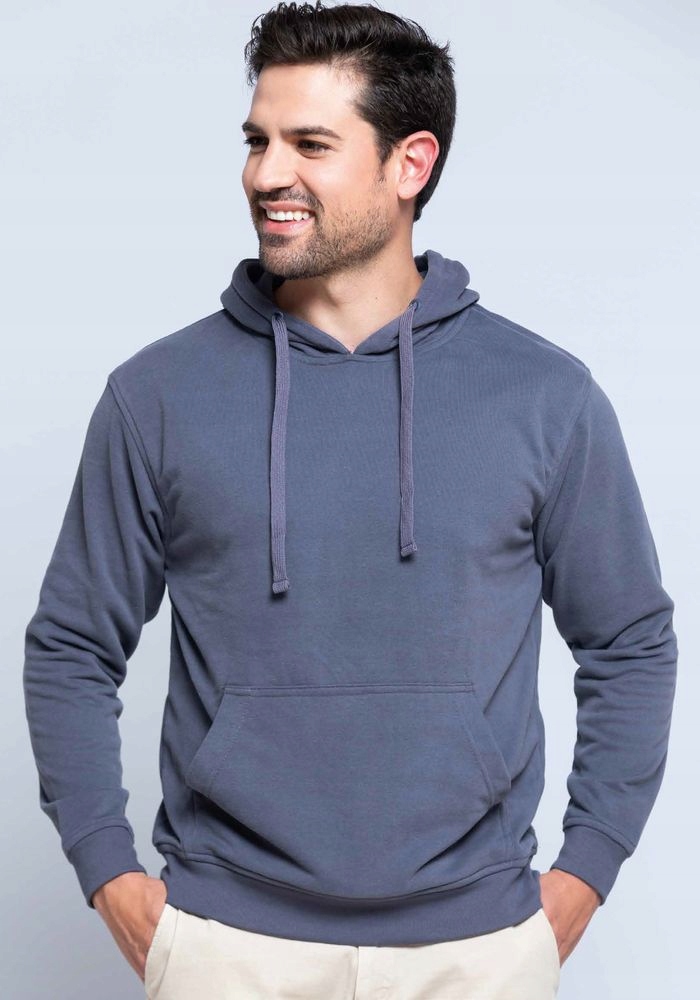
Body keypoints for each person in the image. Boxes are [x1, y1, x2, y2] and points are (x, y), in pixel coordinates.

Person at [23, 3, 678, 998]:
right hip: (225, 942)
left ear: (409, 164)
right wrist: (108, 872)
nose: (265, 174)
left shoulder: (542, 396)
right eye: (257, 141)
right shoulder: (158, 396)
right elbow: (71, 645)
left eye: (310, 144)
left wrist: (585, 870)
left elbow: (629, 640)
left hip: (477, 946)